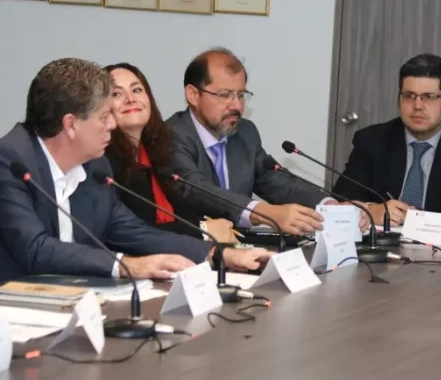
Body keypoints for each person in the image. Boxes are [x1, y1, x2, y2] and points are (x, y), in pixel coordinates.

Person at [0, 58, 272, 281]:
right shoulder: (10, 162)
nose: (112, 125)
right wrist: (127, 265)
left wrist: (219, 254)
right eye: (105, 116)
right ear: (71, 125)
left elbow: (130, 230)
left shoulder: (95, 165)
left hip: (74, 300)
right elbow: (34, 248)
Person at [167, 48, 368, 236]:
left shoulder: (245, 132)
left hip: (240, 248)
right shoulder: (170, 135)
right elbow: (196, 189)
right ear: (193, 95)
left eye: (241, 95)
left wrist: (329, 206)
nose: (236, 105)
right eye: (225, 95)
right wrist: (264, 212)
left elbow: (276, 182)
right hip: (189, 247)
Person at [333, 53, 441, 226]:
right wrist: (371, 210)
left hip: (436, 248)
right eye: (409, 95)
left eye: (429, 97)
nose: (417, 106)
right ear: (399, 99)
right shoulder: (372, 141)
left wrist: (415, 220)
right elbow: (339, 203)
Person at [104, 63, 238, 243]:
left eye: (136, 90)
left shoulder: (158, 153)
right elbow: (127, 232)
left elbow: (182, 215)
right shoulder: (102, 163)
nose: (130, 99)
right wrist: (202, 230)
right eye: (117, 94)